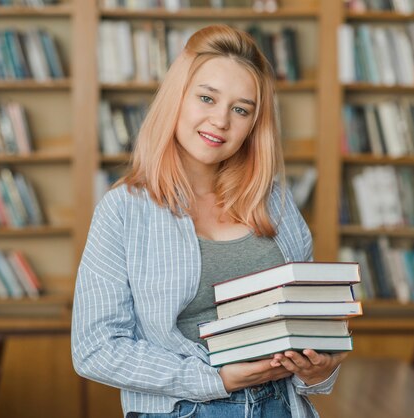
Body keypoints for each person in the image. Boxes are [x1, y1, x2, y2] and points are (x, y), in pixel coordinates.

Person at [71, 24, 346, 418]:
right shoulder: (124, 210)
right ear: (177, 100)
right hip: (183, 409)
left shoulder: (277, 203)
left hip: (279, 408)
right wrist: (213, 379)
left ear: (254, 124)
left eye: (240, 109)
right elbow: (95, 348)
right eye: (206, 98)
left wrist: (318, 370)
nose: (220, 121)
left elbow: (307, 326)